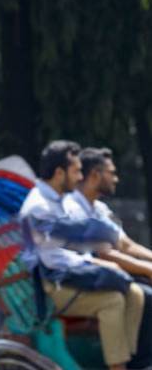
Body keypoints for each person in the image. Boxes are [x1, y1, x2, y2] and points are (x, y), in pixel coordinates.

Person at [19, 140, 144, 370]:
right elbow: (54, 259)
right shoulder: (40, 206)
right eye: (76, 171)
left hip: (68, 277)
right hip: (52, 285)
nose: (79, 178)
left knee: (135, 293)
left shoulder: (59, 201)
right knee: (113, 301)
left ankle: (126, 361)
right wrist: (97, 264)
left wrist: (95, 261)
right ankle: (118, 366)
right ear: (59, 173)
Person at [64, 147, 152, 369]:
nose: (116, 178)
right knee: (147, 296)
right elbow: (105, 253)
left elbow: (126, 245)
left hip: (105, 276)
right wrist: (147, 269)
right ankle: (138, 364)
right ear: (95, 175)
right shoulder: (73, 208)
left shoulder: (100, 208)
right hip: (80, 281)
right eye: (111, 173)